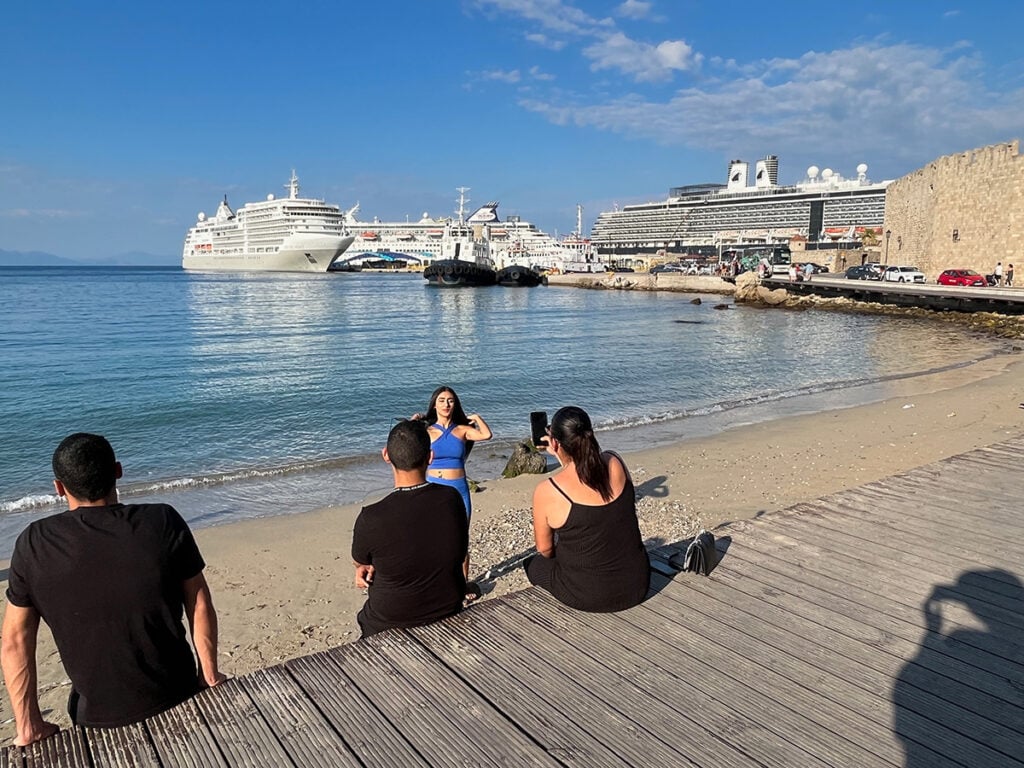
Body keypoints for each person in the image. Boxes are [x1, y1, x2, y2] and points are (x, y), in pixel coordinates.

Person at [2, 434, 224, 744]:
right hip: (178, 695)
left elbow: (15, 638)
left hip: (94, 718)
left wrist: (28, 726)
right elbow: (198, 599)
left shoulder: (34, 543)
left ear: (59, 488)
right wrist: (209, 673)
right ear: (118, 471)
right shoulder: (162, 521)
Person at [524, 406, 650, 612]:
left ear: (554, 442)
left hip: (589, 595)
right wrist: (560, 453)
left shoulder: (548, 490)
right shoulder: (614, 461)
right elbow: (585, 474)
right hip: (637, 584)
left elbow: (545, 550)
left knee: (533, 564)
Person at [351, 419, 468, 638]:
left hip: (391, 617)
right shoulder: (451, 498)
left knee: (367, 615)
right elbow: (460, 553)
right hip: (447, 604)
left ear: (386, 455)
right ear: (430, 457)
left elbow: (361, 560)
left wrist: (363, 567)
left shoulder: (372, 516)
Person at [413, 386, 492, 598]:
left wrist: (475, 416)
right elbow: (407, 445)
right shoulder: (427, 431)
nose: (446, 404)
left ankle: (462, 584)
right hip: (433, 489)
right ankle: (437, 582)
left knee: (460, 539)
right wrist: (413, 424)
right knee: (434, 538)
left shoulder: (462, 430)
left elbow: (486, 434)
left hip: (459, 490)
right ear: (434, 404)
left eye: (450, 401)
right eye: (441, 400)